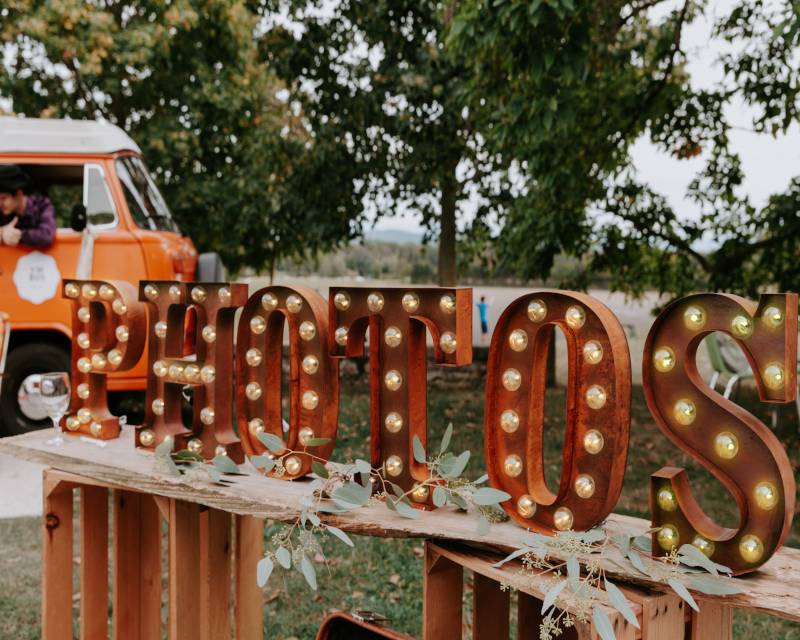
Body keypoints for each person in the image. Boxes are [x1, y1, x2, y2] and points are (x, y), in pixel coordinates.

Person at [0, 164, 56, 248]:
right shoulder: (2, 210)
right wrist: (2, 232)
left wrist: (19, 235)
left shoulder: (42, 205)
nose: (0, 203)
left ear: (19, 194)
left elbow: (46, 236)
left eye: (3, 198)